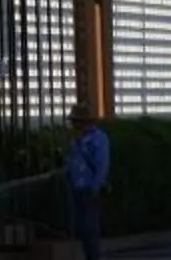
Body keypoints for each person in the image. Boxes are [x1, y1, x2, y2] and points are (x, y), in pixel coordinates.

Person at [65, 105, 111, 260]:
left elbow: (101, 165)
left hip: (89, 188)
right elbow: (72, 162)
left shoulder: (98, 139)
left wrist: (95, 187)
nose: (74, 126)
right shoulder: (76, 140)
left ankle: (93, 257)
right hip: (77, 187)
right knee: (81, 227)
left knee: (90, 228)